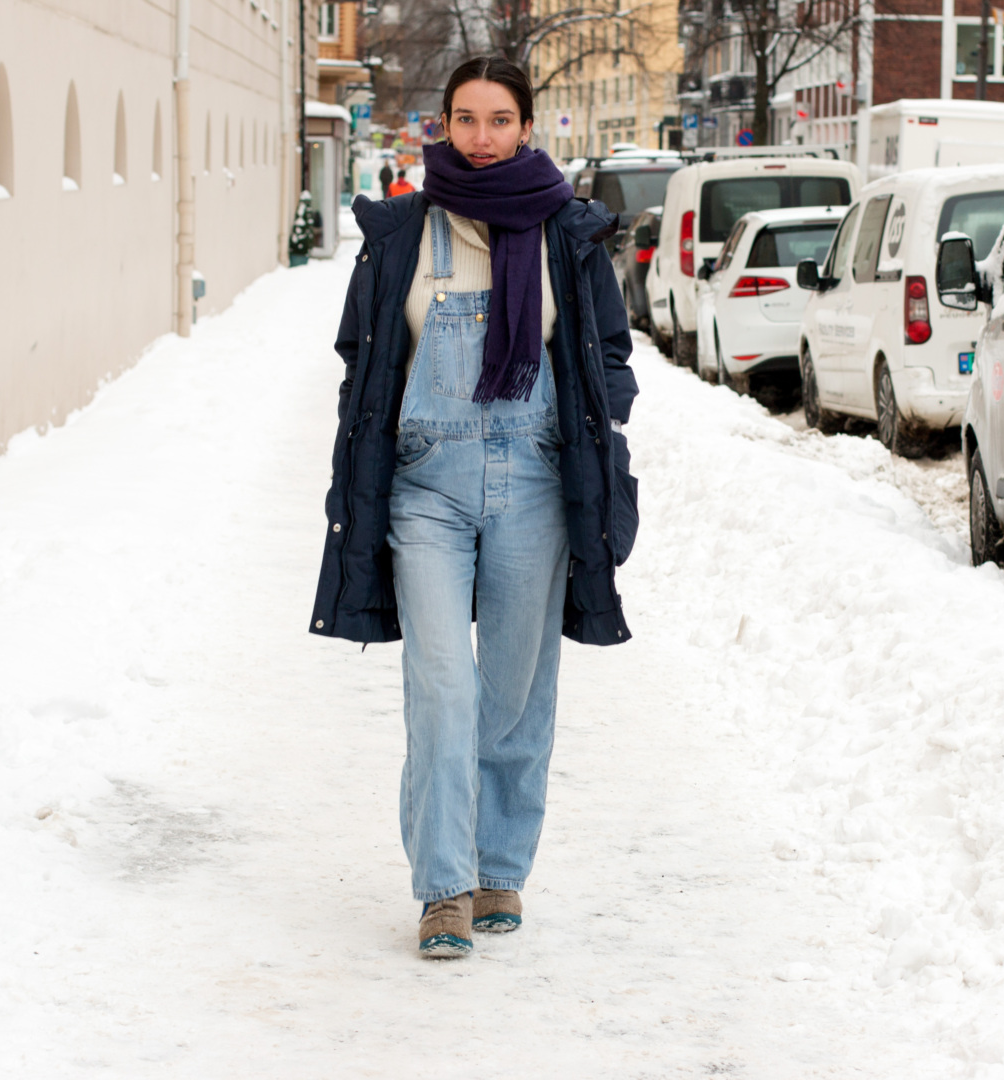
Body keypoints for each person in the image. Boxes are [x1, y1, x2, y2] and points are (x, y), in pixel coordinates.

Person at [309, 56, 639, 959]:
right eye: (465, 118)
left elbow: (608, 351)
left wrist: (603, 415)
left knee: (514, 691)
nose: (482, 136)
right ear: (444, 125)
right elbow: (360, 351)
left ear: (526, 126)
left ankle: (500, 866)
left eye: (499, 119)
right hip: (428, 487)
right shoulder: (404, 230)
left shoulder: (568, 233)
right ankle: (443, 887)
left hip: (535, 480)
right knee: (444, 687)